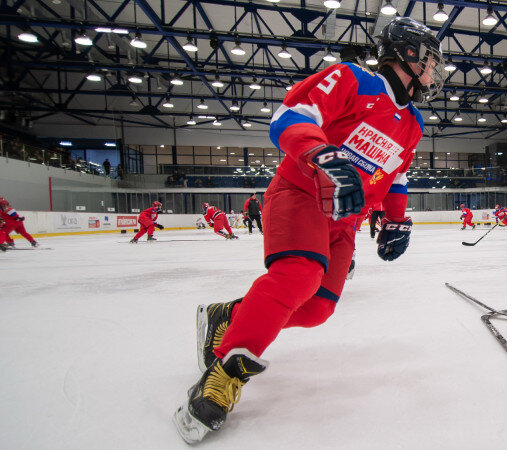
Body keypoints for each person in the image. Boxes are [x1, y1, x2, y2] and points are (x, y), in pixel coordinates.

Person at [173, 16, 443, 444]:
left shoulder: (412, 123)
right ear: (408, 55)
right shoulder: (353, 80)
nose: (434, 70)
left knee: (318, 308)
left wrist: (396, 218)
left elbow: (397, 175)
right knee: (298, 276)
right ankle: (222, 376)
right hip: (301, 190)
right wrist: (321, 154)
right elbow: (291, 116)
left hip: (347, 218)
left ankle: (229, 315)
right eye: (430, 59)